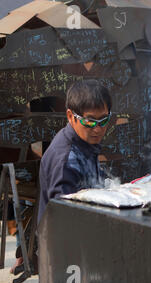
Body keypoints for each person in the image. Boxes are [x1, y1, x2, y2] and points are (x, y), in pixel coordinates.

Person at [37, 79, 112, 224]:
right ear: (71, 116)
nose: (97, 129)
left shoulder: (84, 142)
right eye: (89, 121)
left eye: (103, 120)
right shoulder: (66, 161)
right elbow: (64, 221)